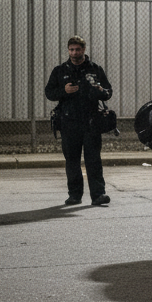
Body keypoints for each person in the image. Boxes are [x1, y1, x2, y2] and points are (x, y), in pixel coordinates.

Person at [45, 35, 113, 206]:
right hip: (69, 122)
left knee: (93, 159)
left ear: (83, 50)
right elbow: (49, 93)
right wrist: (64, 90)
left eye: (77, 49)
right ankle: (74, 195)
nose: (74, 53)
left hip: (91, 122)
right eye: (71, 50)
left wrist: (99, 90)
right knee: (72, 160)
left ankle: (98, 195)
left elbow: (108, 92)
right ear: (68, 50)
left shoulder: (95, 69)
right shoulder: (60, 71)